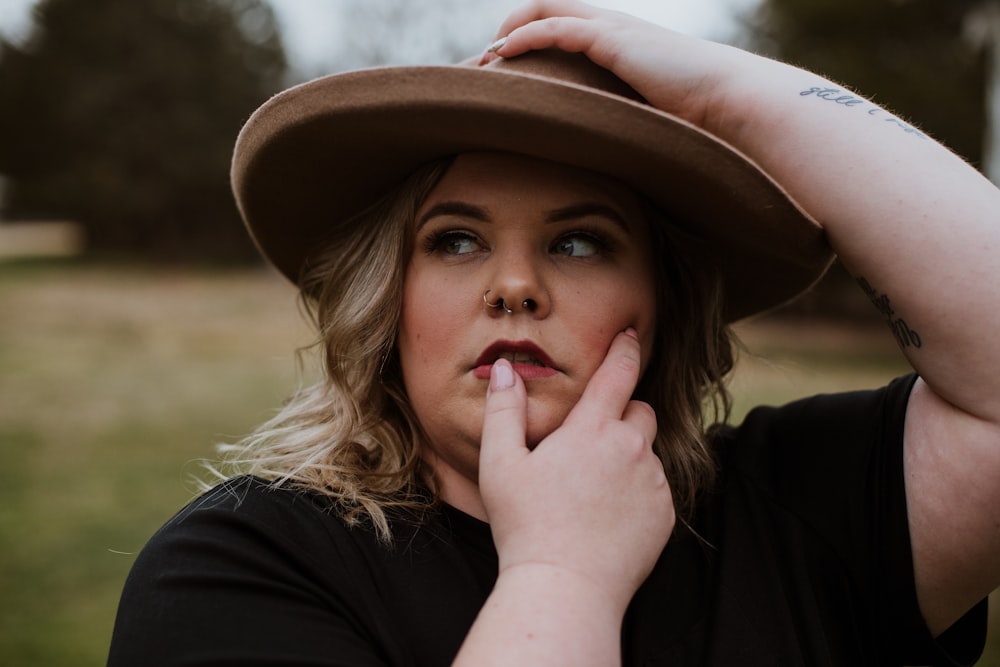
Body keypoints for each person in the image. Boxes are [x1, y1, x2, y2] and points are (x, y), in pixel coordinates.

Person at [107, 1, 1000, 665]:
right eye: (455, 239)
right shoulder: (237, 569)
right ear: (388, 299)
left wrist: (728, 95)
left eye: (579, 242)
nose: (515, 286)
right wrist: (563, 573)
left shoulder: (798, 514)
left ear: (664, 303)